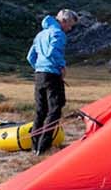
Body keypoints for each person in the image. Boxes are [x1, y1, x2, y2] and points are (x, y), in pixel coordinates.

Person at [26, 9, 78, 154]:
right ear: (64, 21)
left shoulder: (41, 34)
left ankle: (35, 146)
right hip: (52, 74)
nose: (70, 29)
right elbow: (53, 52)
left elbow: (30, 56)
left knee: (40, 110)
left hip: (39, 75)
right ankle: (44, 147)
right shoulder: (58, 33)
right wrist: (61, 66)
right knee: (55, 109)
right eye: (70, 25)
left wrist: (39, 67)